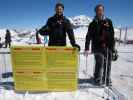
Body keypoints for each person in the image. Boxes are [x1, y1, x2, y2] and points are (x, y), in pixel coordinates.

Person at [84, 4, 116, 86]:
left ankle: (106, 79)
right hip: (97, 46)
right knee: (100, 62)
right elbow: (88, 36)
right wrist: (87, 48)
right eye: (98, 10)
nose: (100, 12)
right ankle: (97, 78)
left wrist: (113, 48)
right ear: (95, 12)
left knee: (108, 63)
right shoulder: (92, 24)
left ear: (103, 11)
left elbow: (112, 35)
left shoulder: (108, 21)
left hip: (108, 46)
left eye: (101, 10)